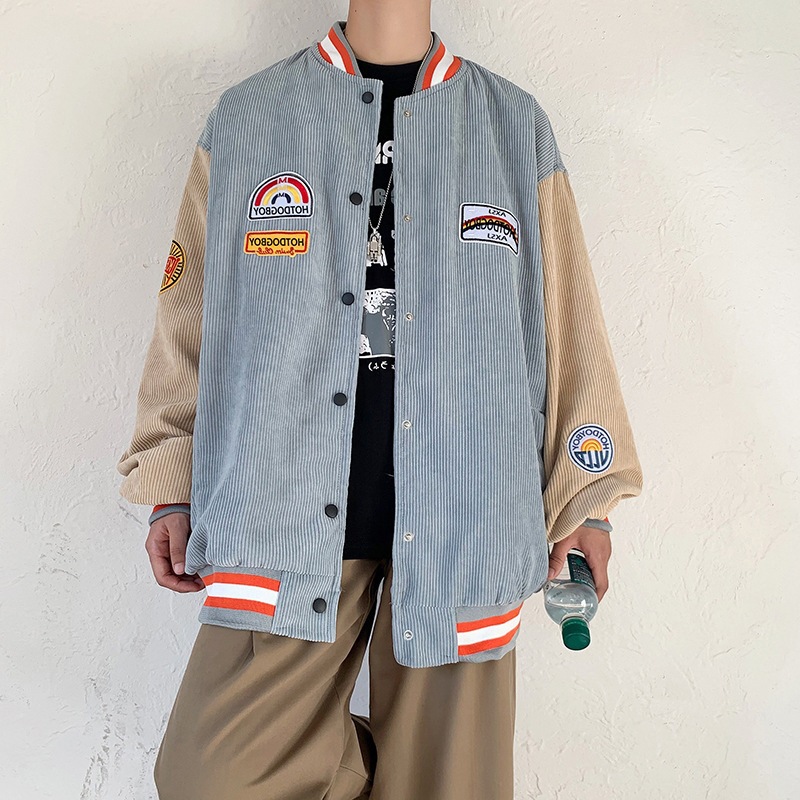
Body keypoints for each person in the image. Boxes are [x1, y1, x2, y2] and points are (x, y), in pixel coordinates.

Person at [115, 2, 643, 798]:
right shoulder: (250, 118)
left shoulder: (510, 125)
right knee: (212, 776)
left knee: (451, 786)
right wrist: (170, 479)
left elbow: (569, 323)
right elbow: (188, 319)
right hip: (281, 508)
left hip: (467, 515)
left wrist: (586, 501)